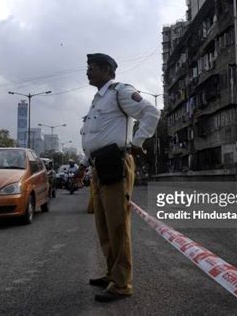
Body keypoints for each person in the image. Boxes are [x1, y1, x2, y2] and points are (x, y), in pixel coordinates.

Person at [75, 53, 160, 302]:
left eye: (93, 68)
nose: (88, 72)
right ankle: (112, 273)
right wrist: (82, 165)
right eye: (88, 67)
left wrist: (136, 143)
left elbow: (151, 113)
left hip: (115, 164)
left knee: (117, 225)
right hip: (97, 166)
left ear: (108, 71)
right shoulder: (97, 100)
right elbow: (93, 137)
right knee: (103, 224)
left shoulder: (120, 91)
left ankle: (122, 284)